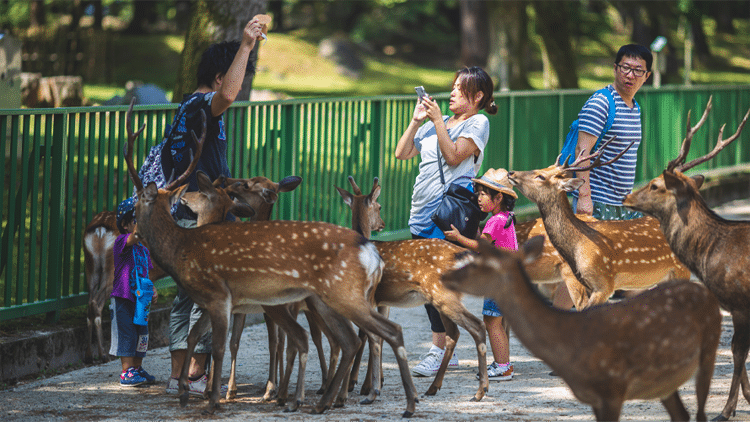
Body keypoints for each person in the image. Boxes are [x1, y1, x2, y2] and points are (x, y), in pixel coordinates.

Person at [162, 18, 266, 395]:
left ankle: (180, 376)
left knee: (186, 294)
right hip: (198, 216)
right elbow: (228, 96)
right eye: (235, 76)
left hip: (185, 213)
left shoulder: (187, 109)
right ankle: (194, 374)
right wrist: (246, 46)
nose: (238, 86)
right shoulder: (203, 105)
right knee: (206, 294)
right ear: (219, 77)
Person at [395, 66, 497, 377]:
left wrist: (439, 121)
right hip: (421, 212)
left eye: (458, 88)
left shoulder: (478, 122)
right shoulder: (435, 125)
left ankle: (439, 350)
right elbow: (402, 153)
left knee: (434, 284)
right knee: (427, 288)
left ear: (477, 96)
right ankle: (445, 351)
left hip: (449, 215)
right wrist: (416, 123)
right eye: (451, 87)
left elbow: (454, 157)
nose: (451, 93)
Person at [552, 44, 653, 309]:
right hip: (596, 201)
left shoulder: (634, 108)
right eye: (625, 68)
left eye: (637, 70)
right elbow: (581, 154)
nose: (630, 75)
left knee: (624, 270)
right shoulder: (600, 103)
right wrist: (585, 199)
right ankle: (552, 324)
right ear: (615, 69)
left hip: (619, 204)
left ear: (647, 76)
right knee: (580, 271)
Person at [444, 168, 518, 381]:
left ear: (499, 197)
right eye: (479, 193)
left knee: (492, 322)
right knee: (495, 321)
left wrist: (458, 237)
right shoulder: (507, 217)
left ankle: (503, 367)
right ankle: (504, 364)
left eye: (484, 194)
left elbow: (480, 246)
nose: (479, 198)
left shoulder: (495, 221)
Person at [110, 197, 157, 387]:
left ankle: (137, 368)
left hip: (141, 302)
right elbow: (132, 238)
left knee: (142, 334)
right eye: (136, 220)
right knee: (127, 333)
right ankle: (126, 371)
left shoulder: (143, 250)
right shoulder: (122, 242)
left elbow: (146, 273)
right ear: (125, 225)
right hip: (124, 298)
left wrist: (152, 289)